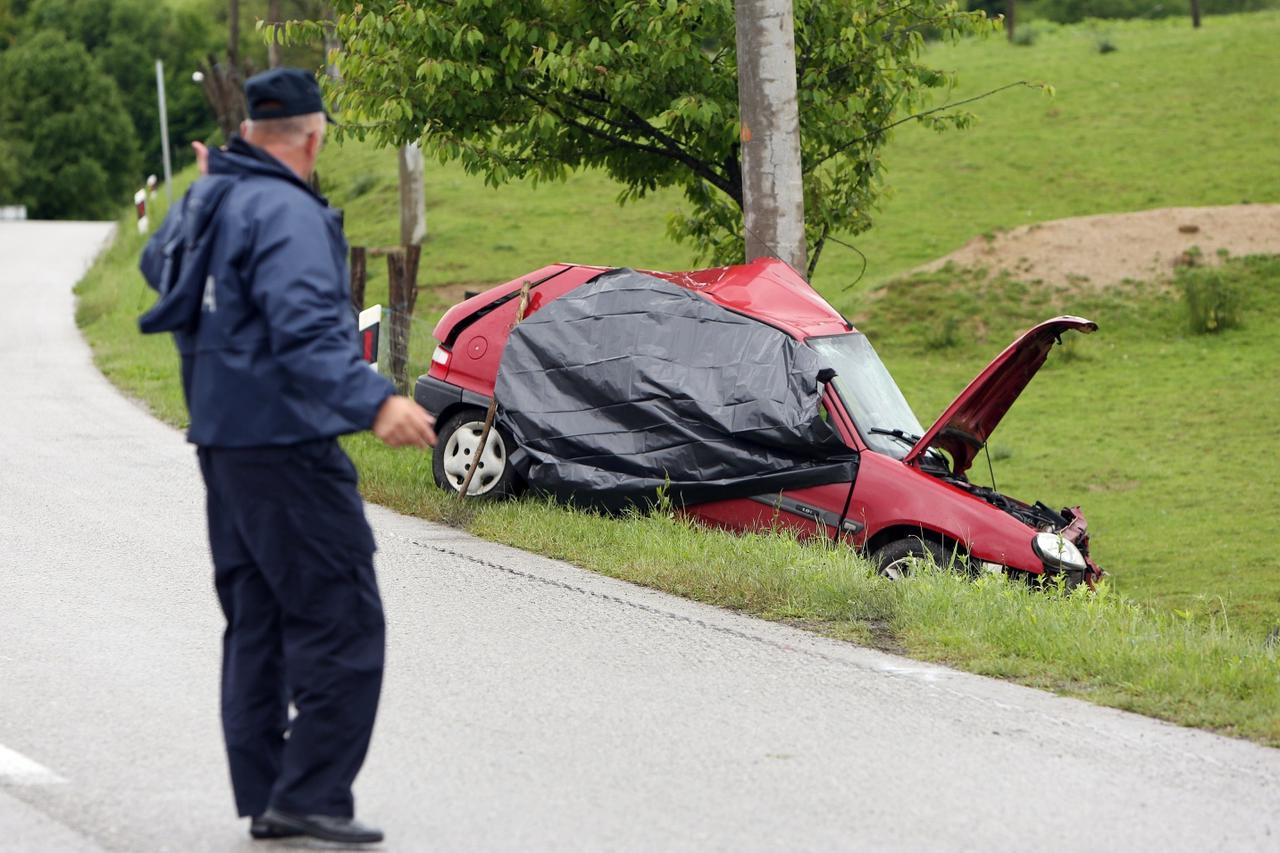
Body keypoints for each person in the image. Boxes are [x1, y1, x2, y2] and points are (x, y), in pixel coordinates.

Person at [139, 67, 436, 845]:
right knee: (341, 616)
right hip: (288, 445)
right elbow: (304, 332)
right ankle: (310, 794)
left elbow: (156, 271)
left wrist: (200, 191)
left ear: (248, 134)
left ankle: (272, 792)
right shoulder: (286, 213)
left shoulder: (209, 196)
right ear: (313, 136)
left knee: (257, 621)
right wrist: (376, 402)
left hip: (225, 447)